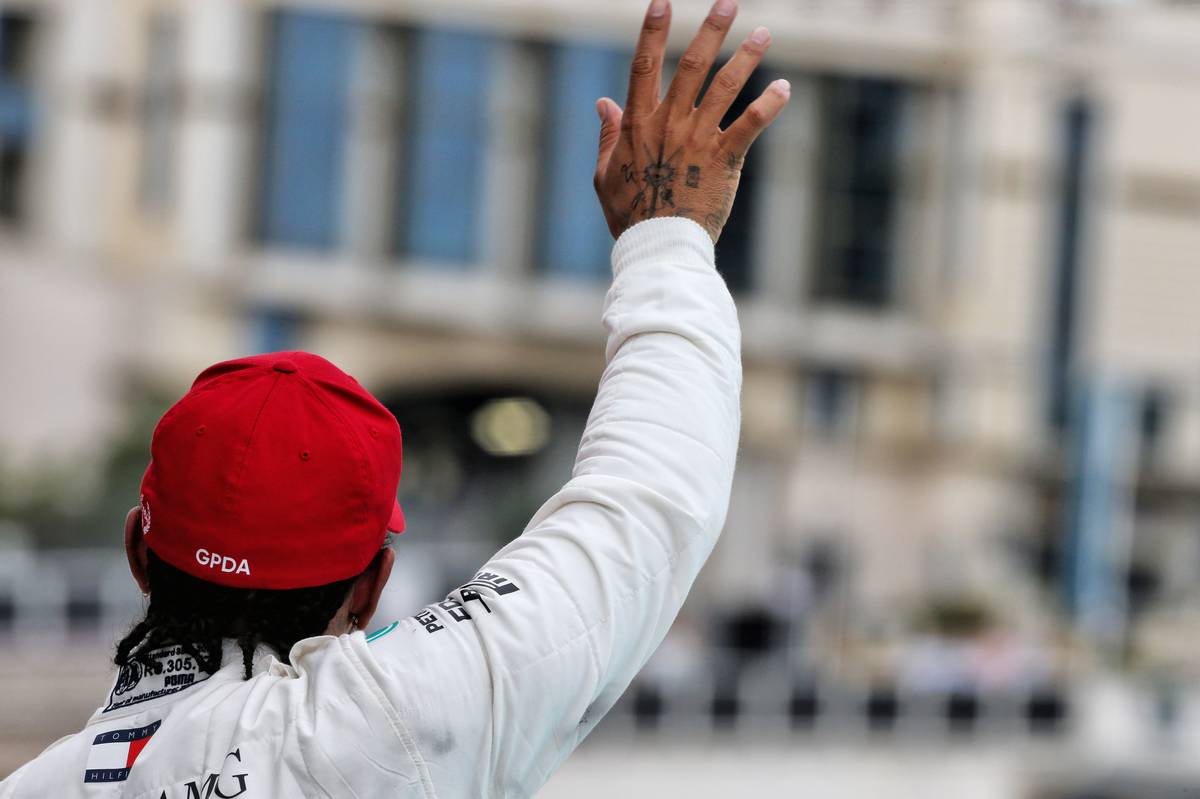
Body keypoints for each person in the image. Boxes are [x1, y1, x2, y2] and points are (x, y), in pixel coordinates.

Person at [0, 0, 788, 795]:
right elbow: (644, 509)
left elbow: (644, 509)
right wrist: (665, 237)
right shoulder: (381, 728)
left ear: (138, 550)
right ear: (372, 586)